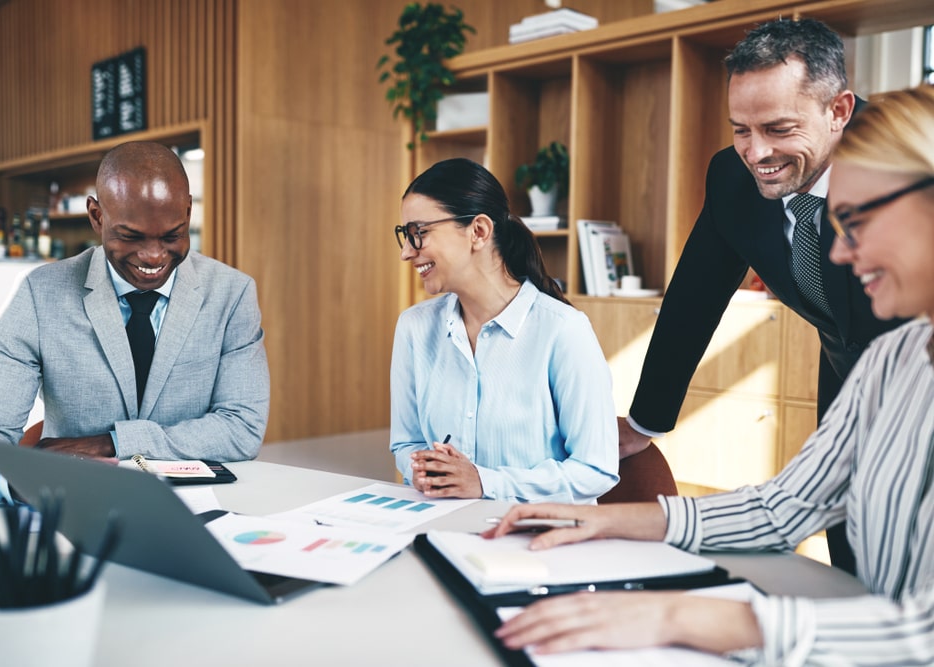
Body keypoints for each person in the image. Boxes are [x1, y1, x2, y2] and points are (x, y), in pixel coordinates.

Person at [486, 85, 934, 665]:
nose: (840, 254)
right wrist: (606, 520)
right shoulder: (889, 362)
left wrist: (681, 615)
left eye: (857, 220)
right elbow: (784, 508)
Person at [619, 17, 906, 573]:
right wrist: (644, 422)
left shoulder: (909, 163)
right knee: (849, 538)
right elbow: (693, 299)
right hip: (847, 367)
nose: (757, 153)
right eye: (741, 130)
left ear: (839, 111)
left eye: (778, 128)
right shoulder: (732, 179)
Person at [0, 141, 270, 503]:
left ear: (189, 211)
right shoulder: (41, 295)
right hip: (76, 510)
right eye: (131, 236)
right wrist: (23, 484)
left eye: (171, 235)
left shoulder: (233, 294)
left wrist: (111, 444)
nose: (154, 256)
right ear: (97, 216)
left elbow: (242, 428)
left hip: (203, 508)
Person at [389, 157, 618, 503]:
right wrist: (425, 470)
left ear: (478, 231)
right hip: (444, 526)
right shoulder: (414, 328)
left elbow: (595, 470)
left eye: (419, 233)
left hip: (539, 541)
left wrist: (485, 482)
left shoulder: (563, 331)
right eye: (406, 235)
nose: (407, 252)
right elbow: (406, 443)